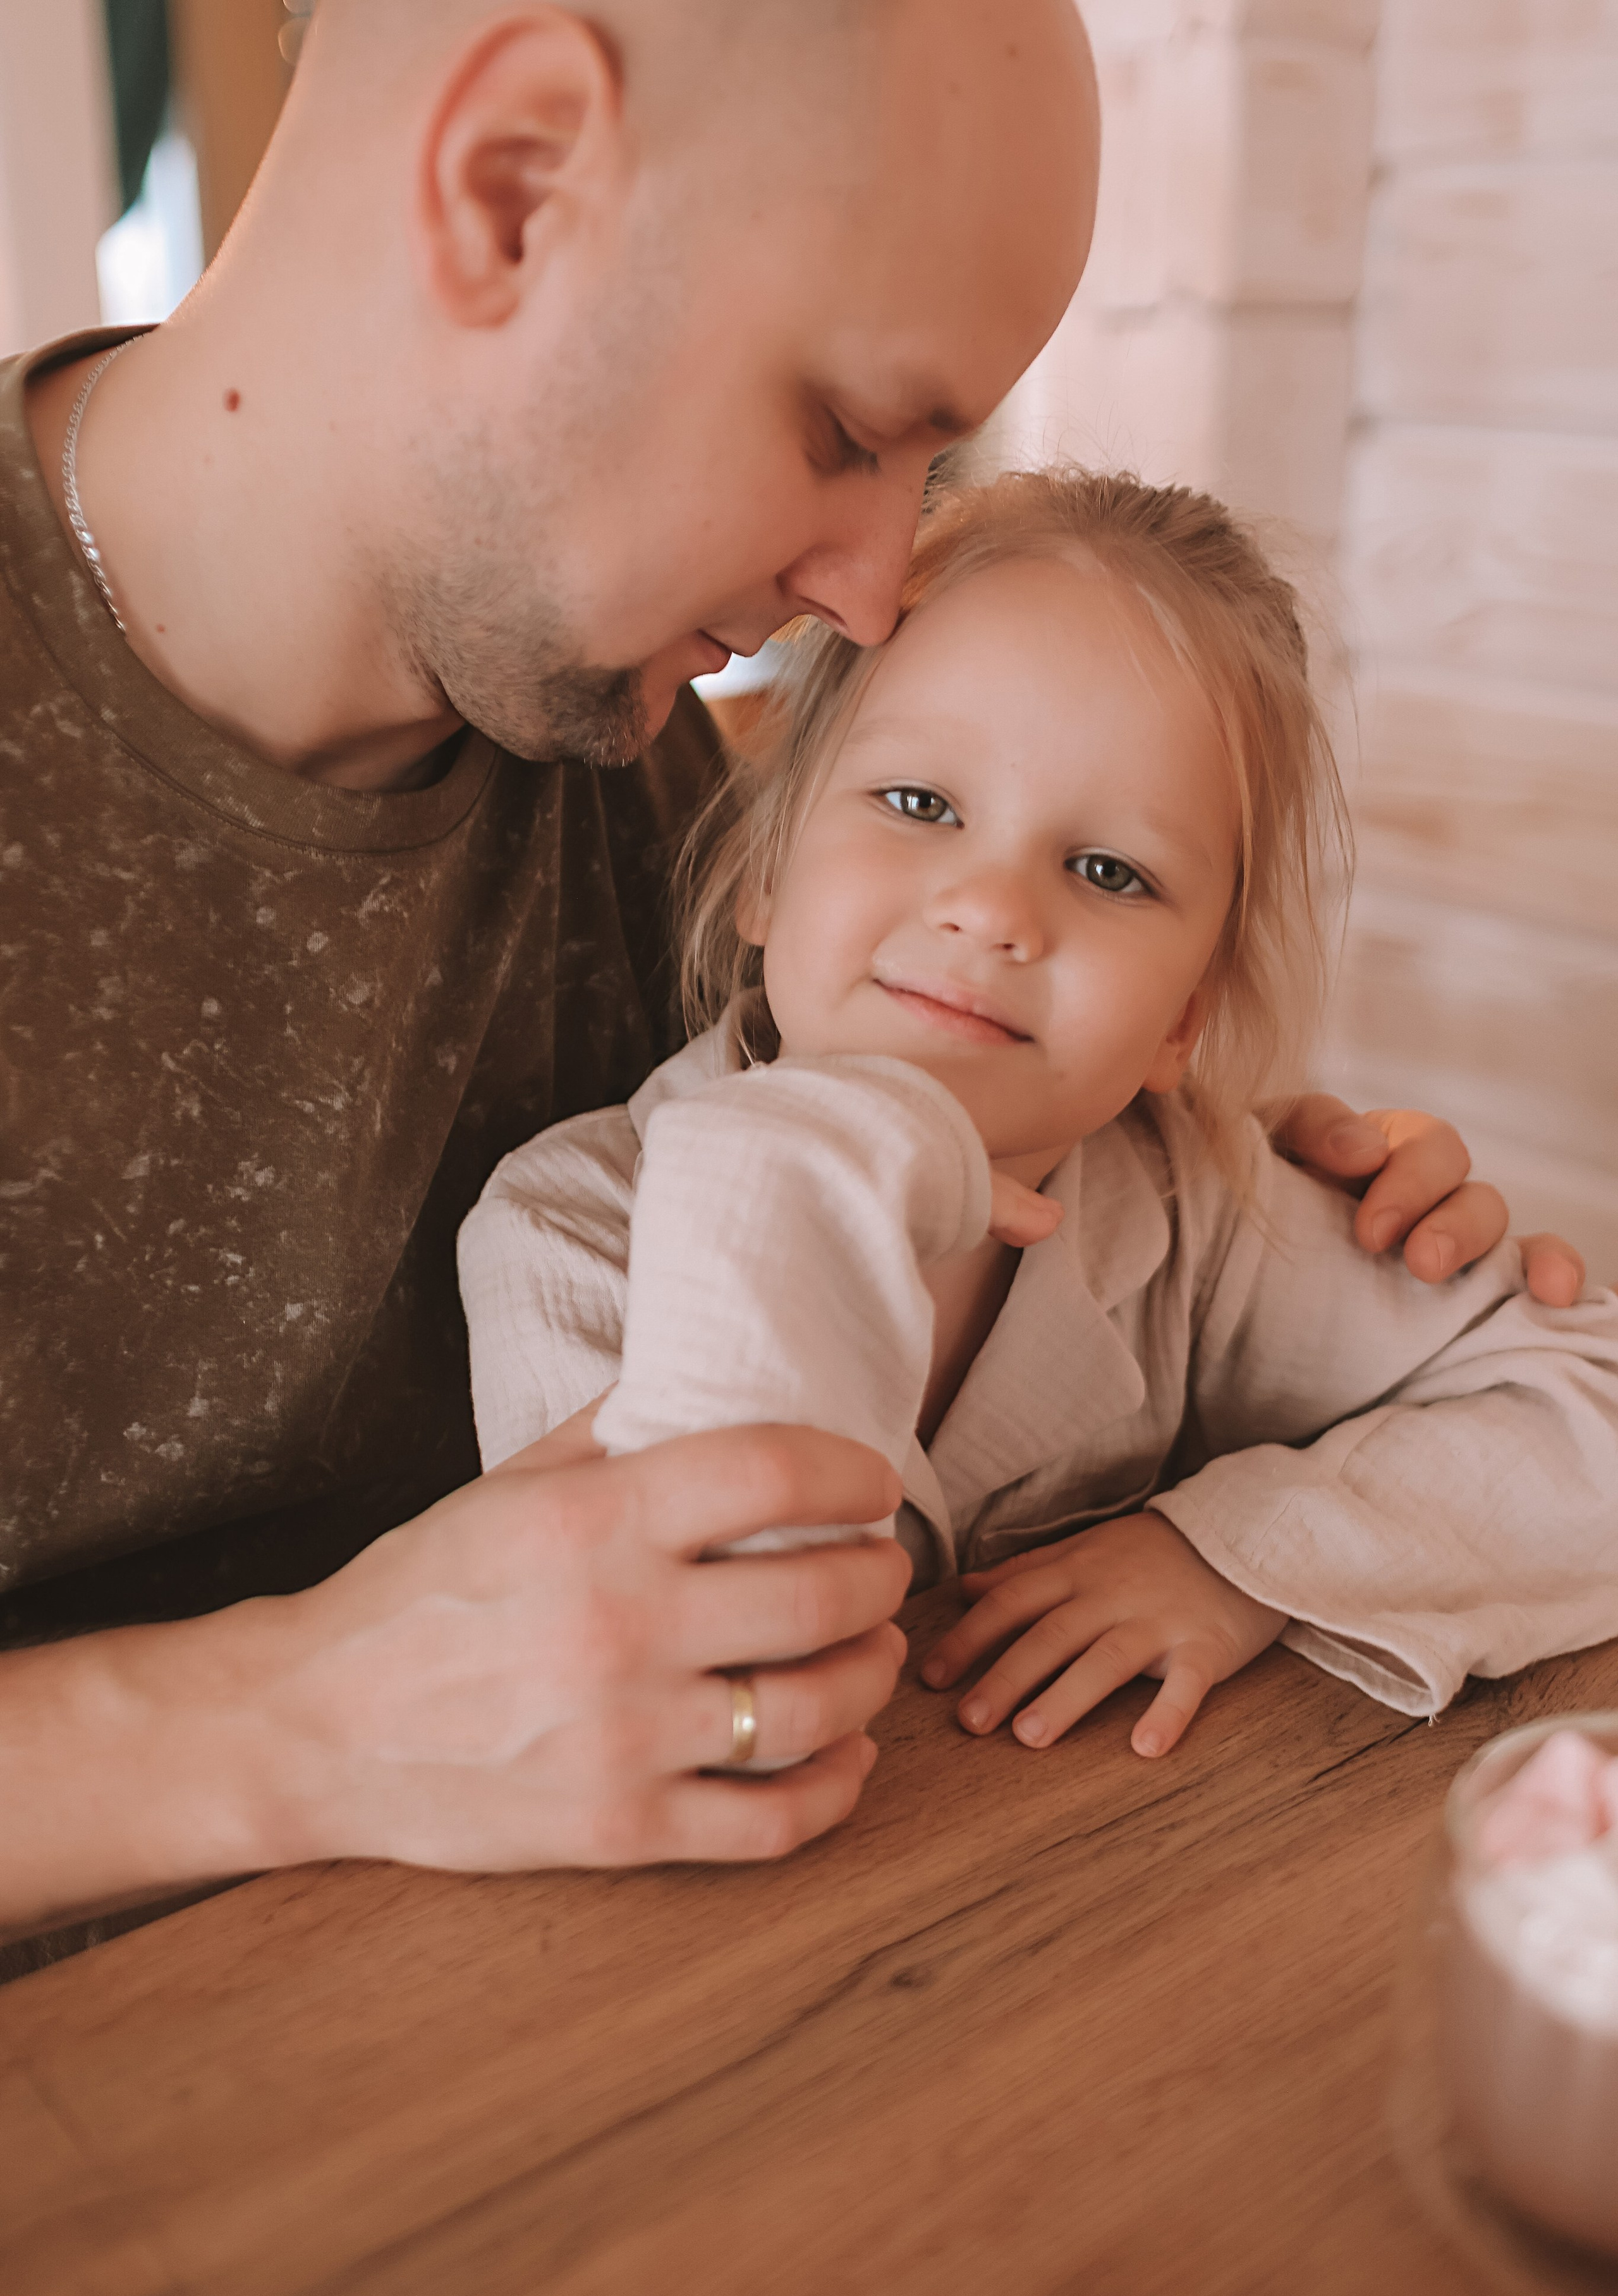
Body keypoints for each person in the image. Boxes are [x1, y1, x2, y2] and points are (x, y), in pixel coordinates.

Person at [0, 1, 1580, 1941]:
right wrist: (289, 1721)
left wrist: (1279, 1269)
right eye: (847, 433)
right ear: (513, 187)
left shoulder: (655, 750)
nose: (865, 588)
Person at [459, 468, 1618, 1762]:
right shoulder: (565, 1231)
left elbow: (1589, 1408)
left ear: (1182, 1017)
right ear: (767, 872)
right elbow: (712, 1678)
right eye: (919, 804)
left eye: (1108, 871)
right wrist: (814, 1159)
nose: (994, 909)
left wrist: (1231, 1560)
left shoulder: (1192, 1205)